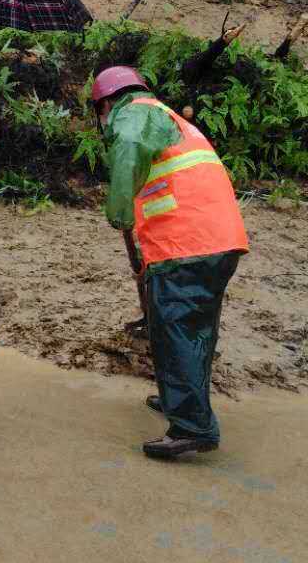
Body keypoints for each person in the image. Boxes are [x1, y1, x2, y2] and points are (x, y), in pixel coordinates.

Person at [89, 66, 250, 460]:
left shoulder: (135, 114)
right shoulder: (166, 116)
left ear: (107, 103)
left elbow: (127, 148)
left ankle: (193, 426)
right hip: (215, 239)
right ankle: (181, 398)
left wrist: (119, 211)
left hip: (188, 244)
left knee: (175, 328)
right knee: (192, 328)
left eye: (101, 113)